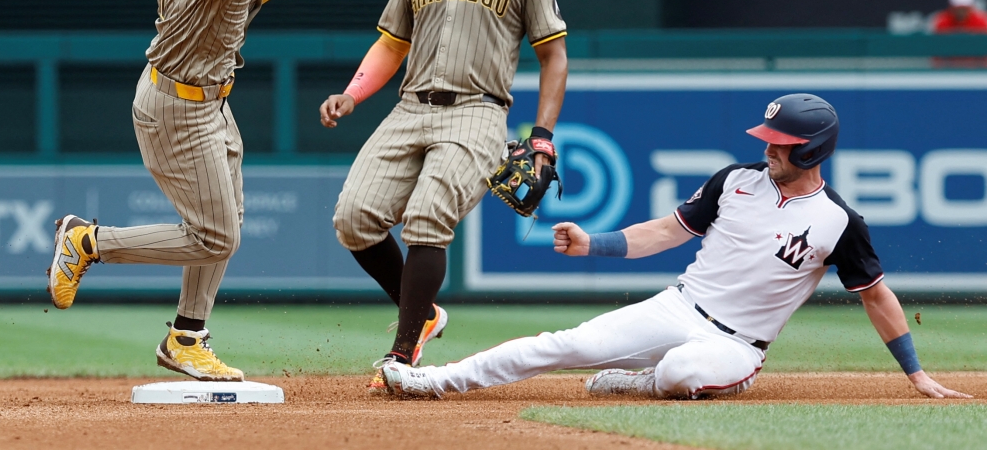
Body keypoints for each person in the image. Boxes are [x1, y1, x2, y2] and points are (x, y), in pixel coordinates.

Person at [47, 0, 445, 381]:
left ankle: (187, 337)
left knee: (223, 224)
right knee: (216, 235)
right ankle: (88, 242)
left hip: (203, 100)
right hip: (178, 106)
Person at [378, 94, 971, 401]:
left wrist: (915, 373)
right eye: (767, 138)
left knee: (683, 373)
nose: (769, 148)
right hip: (678, 305)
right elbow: (665, 232)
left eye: (781, 143)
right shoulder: (734, 180)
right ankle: (432, 381)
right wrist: (593, 245)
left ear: (812, 151)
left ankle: (649, 380)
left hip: (739, 344)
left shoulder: (838, 221)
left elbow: (877, 297)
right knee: (563, 345)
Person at [321, 0, 568, 392]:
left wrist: (542, 136)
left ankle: (403, 353)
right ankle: (425, 313)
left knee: (428, 216)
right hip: (410, 106)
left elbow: (554, 55)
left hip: (478, 109)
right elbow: (393, 43)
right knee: (353, 218)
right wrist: (353, 93)